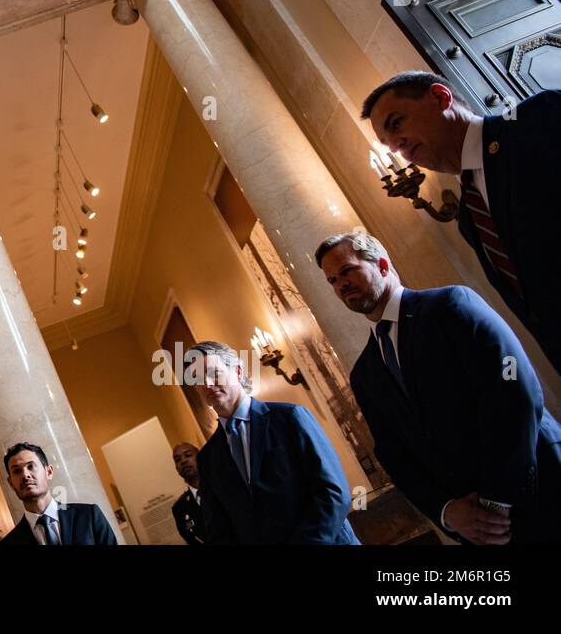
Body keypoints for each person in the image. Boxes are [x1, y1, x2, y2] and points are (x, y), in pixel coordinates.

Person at [316, 231, 561, 544]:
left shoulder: (450, 305)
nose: (341, 285)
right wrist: (447, 512)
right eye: (332, 280)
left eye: (347, 270)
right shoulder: (364, 374)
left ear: (381, 265)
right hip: (475, 528)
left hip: (541, 486)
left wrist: (495, 501)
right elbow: (394, 456)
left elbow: (515, 390)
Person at [362, 71, 561, 372]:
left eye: (397, 123)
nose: (396, 146)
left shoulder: (537, 121)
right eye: (388, 143)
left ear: (441, 98)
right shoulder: (469, 217)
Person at [186, 341, 359, 544]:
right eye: (197, 378)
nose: (207, 383)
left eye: (214, 373)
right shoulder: (207, 458)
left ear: (238, 372)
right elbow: (219, 528)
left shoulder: (290, 417)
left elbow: (333, 493)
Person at [0, 442, 118, 545]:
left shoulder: (89, 516)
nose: (25, 475)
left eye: (31, 466)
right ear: (11, 483)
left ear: (48, 472)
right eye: (17, 471)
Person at [171, 442, 205, 544]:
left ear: (200, 458)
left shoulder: (222, 488)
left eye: (188, 455)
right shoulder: (179, 508)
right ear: (177, 469)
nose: (183, 461)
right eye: (177, 460)